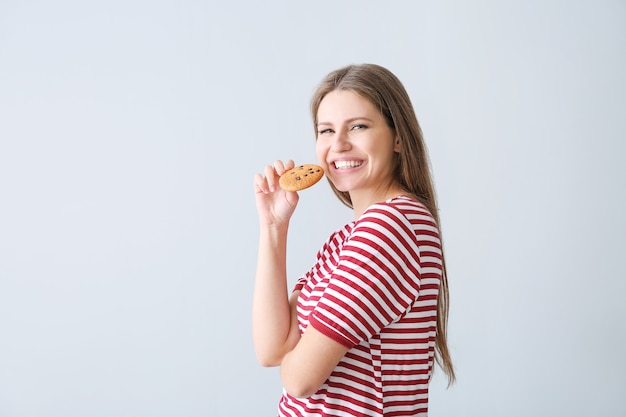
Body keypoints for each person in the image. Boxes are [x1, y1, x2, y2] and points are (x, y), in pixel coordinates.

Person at [252, 63, 455, 417]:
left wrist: (296, 358)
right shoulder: (349, 237)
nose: (338, 145)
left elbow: (299, 379)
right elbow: (272, 349)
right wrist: (273, 226)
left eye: (358, 126)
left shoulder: (389, 227)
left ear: (397, 137)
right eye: (326, 130)